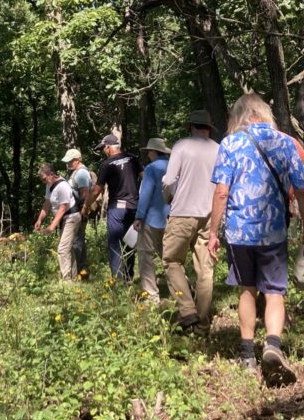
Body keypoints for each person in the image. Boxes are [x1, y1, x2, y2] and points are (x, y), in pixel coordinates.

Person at [207, 93, 304, 380]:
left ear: (240, 116)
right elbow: (303, 190)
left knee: (246, 289)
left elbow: (221, 191)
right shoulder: (285, 142)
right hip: (273, 232)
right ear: (265, 113)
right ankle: (272, 345)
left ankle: (247, 356)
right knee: (274, 291)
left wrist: (212, 234)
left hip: (239, 232)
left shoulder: (230, 144)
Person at [161, 109, 220, 332]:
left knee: (171, 260)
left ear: (190, 126)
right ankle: (202, 324)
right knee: (205, 268)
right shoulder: (218, 149)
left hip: (183, 212)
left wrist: (168, 197)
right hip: (210, 215)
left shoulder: (181, 146)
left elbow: (168, 180)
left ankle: (187, 310)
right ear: (208, 128)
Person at [83, 133, 142, 282]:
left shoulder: (106, 165)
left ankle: (118, 279)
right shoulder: (133, 159)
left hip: (116, 208)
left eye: (103, 148)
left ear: (109, 147)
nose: (103, 151)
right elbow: (146, 176)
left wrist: (86, 205)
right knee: (130, 241)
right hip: (134, 206)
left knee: (114, 243)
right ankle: (128, 277)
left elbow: (97, 190)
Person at [133, 138, 171, 303]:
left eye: (149, 151)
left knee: (145, 255)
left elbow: (146, 194)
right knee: (171, 257)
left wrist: (139, 216)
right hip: (172, 217)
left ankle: (151, 294)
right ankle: (182, 289)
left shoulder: (151, 168)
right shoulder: (174, 165)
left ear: (155, 151)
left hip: (151, 219)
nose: (148, 154)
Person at [32, 163, 83, 280]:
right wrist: (40, 219)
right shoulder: (49, 185)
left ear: (51, 174)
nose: (44, 182)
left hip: (71, 218)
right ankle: (74, 278)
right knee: (67, 248)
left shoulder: (63, 186)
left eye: (44, 179)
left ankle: (67, 281)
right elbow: (47, 203)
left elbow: (63, 208)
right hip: (64, 219)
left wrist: (51, 227)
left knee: (62, 249)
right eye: (42, 180)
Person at [62, 148, 93, 279]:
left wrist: (82, 213)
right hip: (75, 213)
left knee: (77, 242)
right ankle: (79, 271)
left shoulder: (81, 174)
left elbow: (85, 195)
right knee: (76, 241)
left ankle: (83, 271)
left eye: (70, 161)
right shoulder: (75, 173)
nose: (67, 164)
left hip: (79, 213)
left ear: (77, 160)